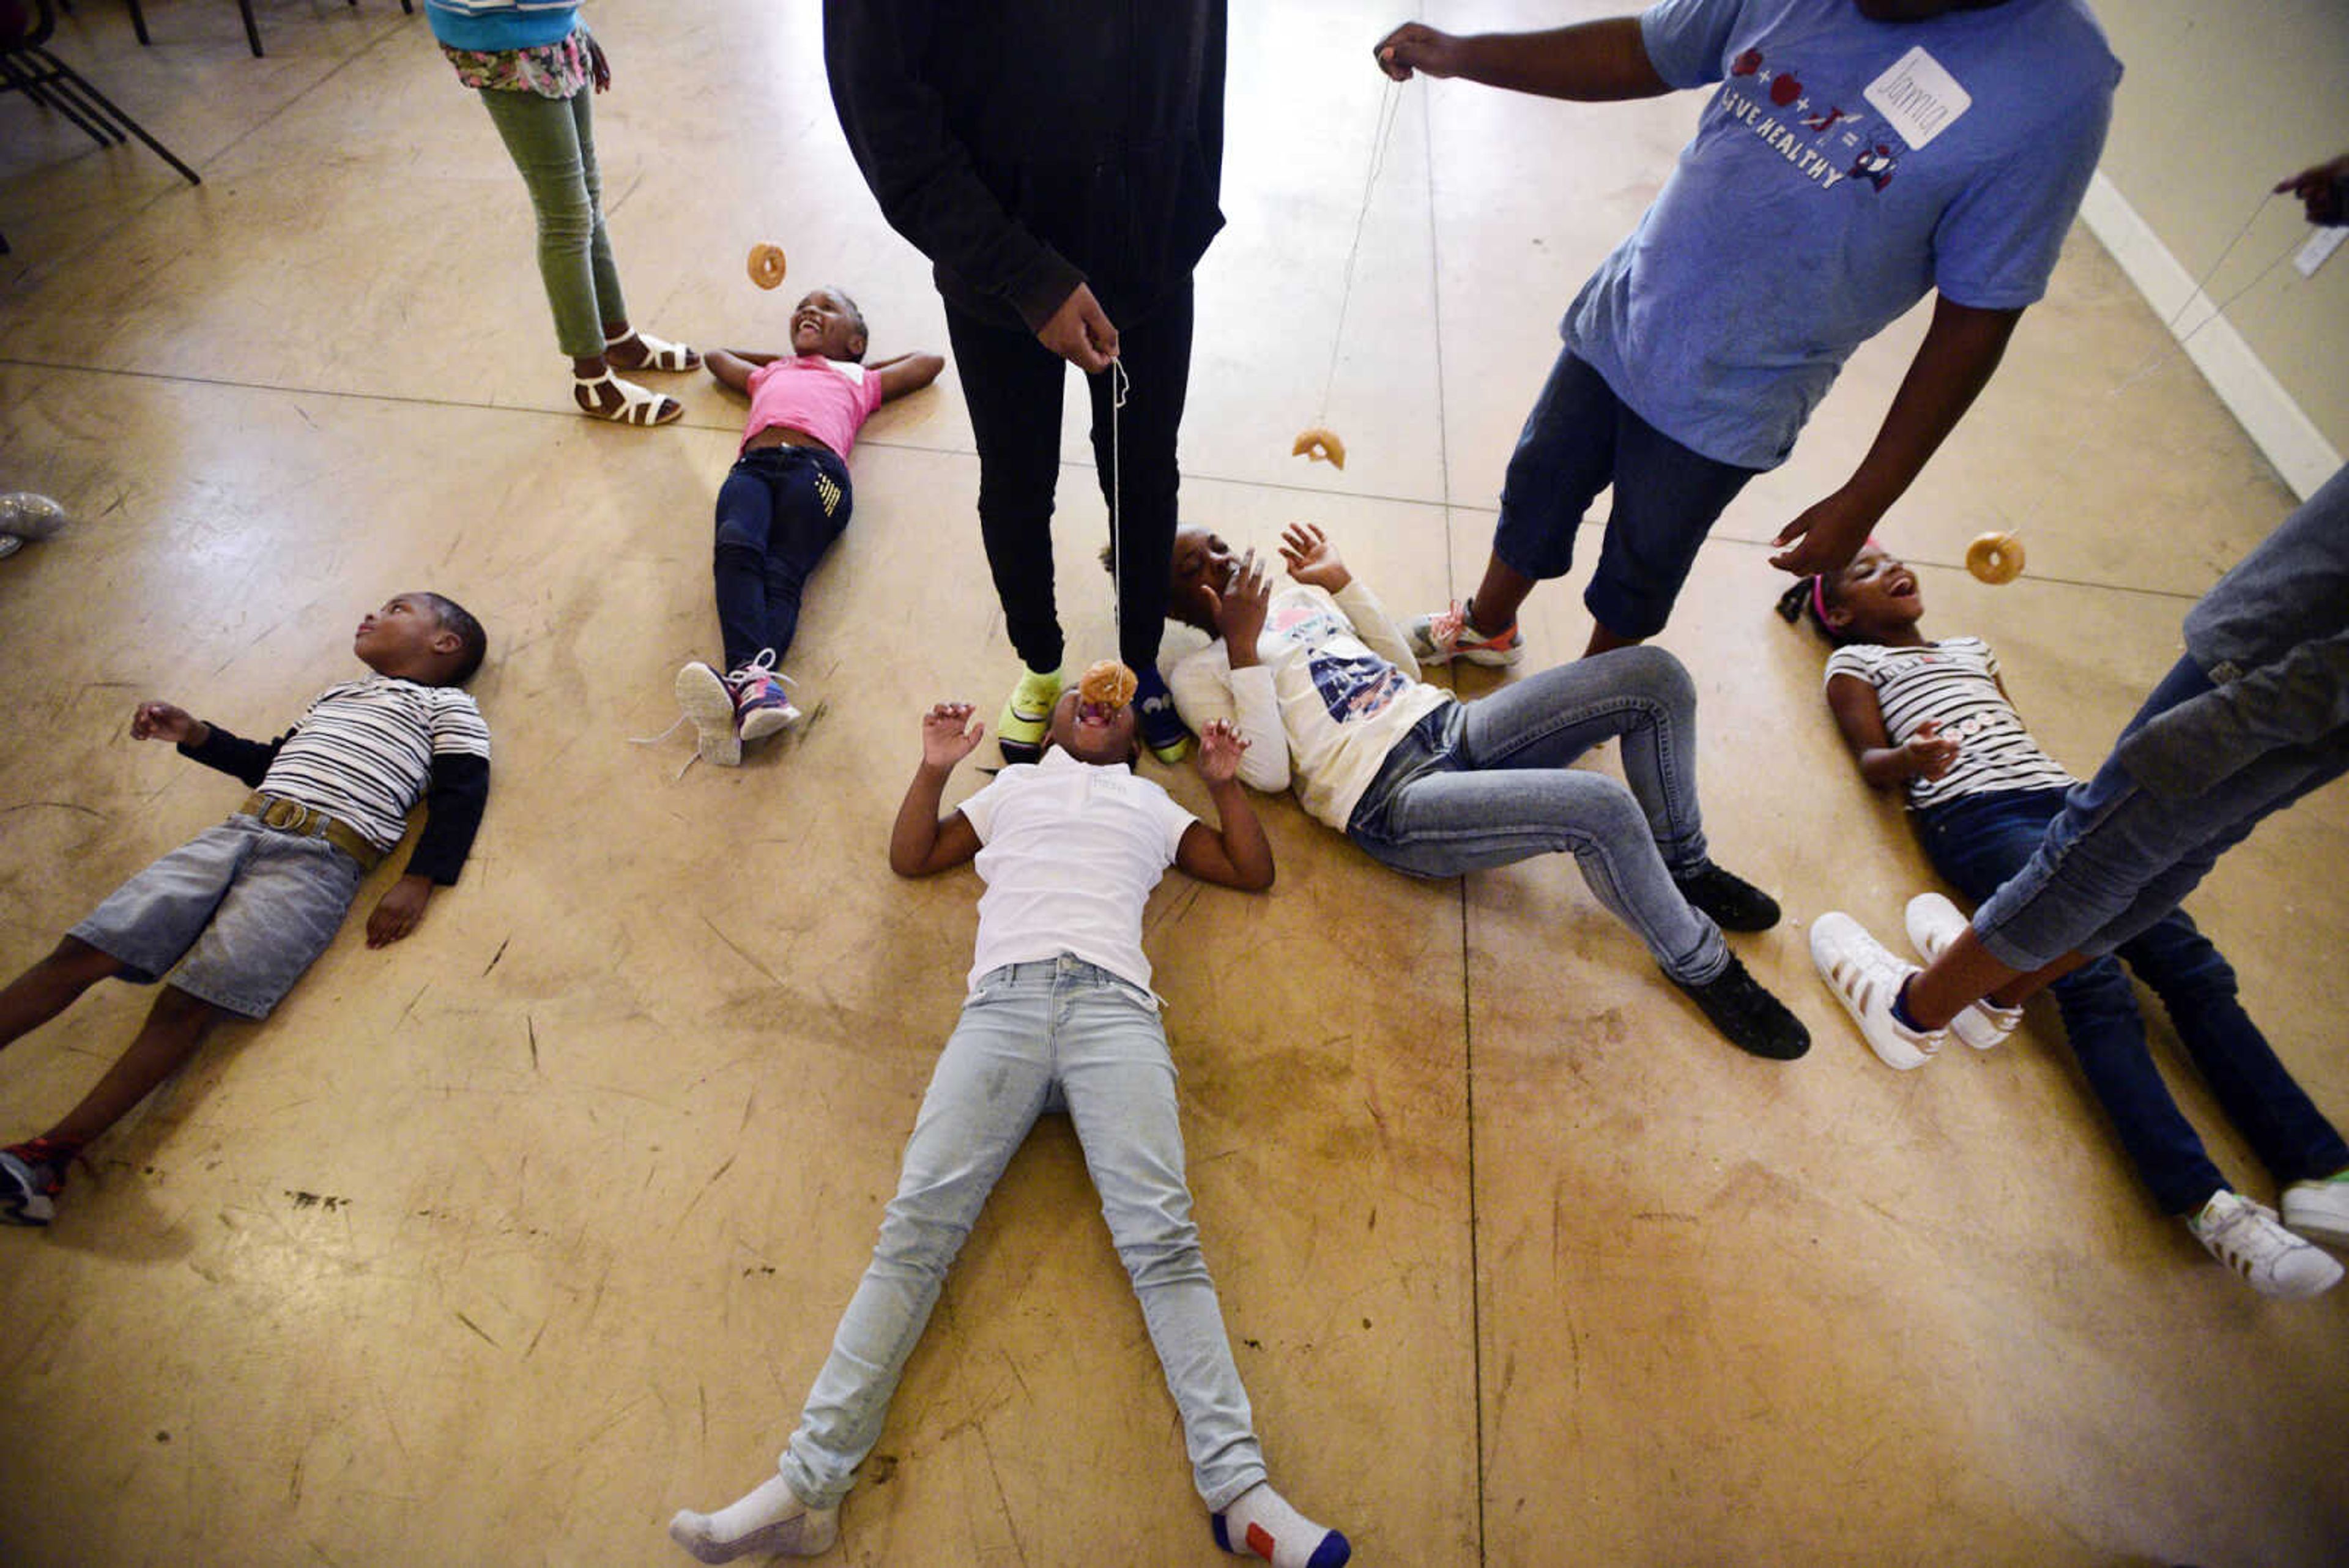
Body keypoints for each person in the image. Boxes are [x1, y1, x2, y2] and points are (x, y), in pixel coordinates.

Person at [666, 696, 1349, 1568]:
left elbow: (1251, 870)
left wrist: (1224, 787)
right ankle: (809, 1487)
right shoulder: (1016, 787)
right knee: (914, 1232)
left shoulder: (1150, 803)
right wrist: (935, 766)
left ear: (1137, 742)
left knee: (1166, 1240)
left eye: (1117, 705)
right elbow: (911, 856)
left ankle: (1240, 1493)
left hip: (1117, 1011)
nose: (1097, 702)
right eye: (1079, 699)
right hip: (1004, 1006)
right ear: (1054, 724)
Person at [1371, 0, 2118, 663]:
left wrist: (1866, 498)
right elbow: (1649, 48)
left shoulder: (2059, 85)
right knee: (1539, 482)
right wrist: (1467, 56)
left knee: (1644, 559)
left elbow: (1977, 319)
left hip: (1737, 395)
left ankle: (1579, 703)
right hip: (1631, 311)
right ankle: (1487, 624)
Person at [1784, 541, 2348, 1299]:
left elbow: (2015, 729)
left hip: (2068, 799)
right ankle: (2206, 1202)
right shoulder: (1857, 665)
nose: (1892, 568)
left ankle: (2318, 1164)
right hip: (1977, 815)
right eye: (1863, 571)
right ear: (1843, 613)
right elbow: (1870, 763)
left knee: (2192, 967)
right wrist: (1911, 758)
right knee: (2097, 988)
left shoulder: (1972, 648)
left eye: (1894, 557)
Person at [1159, 522, 1809, 1061]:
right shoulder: (1199, 673)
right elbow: (1269, 774)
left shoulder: (1302, 604)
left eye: (1218, 544)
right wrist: (1243, 648)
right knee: (1600, 808)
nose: (1223, 559)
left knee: (1655, 677)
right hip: (1392, 799)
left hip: (1452, 726)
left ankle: (1684, 865)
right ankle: (1700, 964)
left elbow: (1406, 668)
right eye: (1196, 566)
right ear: (1177, 605)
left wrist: (1340, 582)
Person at [0, 594, 491, 1226]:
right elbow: (273, 761)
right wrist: (198, 736)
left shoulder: (449, 708)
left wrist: (420, 879)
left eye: (397, 608)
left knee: (190, 1003)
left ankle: (47, 1159)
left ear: (445, 644)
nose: (371, 614)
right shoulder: (337, 696)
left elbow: (463, 794)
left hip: (316, 866)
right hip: (234, 835)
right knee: (84, 950)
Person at [823, 0, 1227, 764]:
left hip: (1150, 240)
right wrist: (1022, 275)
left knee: (1143, 468)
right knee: (1015, 479)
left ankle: (1137, 663)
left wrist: (1185, 190)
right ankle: (1041, 660)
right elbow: (881, 103)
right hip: (996, 255)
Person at [671, 287, 944, 765]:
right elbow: (718, 357)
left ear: (857, 342)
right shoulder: (771, 373)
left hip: (819, 476)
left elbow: (930, 361)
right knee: (735, 548)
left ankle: (741, 685)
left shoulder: (859, 378)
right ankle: (754, 691)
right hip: (752, 470)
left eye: (827, 309)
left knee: (782, 573)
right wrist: (791, 358)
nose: (809, 310)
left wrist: (854, 362)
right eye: (801, 308)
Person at [424, 0, 700, 426]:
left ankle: (618, 338)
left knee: (586, 198)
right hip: (505, 35)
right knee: (565, 216)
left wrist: (571, 21)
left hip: (544, 23)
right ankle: (591, 379)